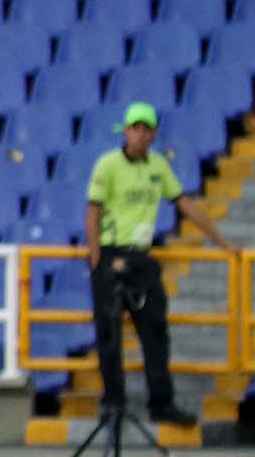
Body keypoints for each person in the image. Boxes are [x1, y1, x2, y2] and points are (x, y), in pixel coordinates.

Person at [86, 102, 240, 426]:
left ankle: (161, 402)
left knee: (155, 332)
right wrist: (96, 256)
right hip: (113, 253)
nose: (141, 134)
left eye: (146, 129)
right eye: (135, 128)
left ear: (153, 133)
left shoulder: (158, 167)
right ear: (126, 131)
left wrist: (221, 240)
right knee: (109, 335)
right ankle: (114, 403)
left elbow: (184, 202)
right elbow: (94, 210)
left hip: (141, 256)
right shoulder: (108, 165)